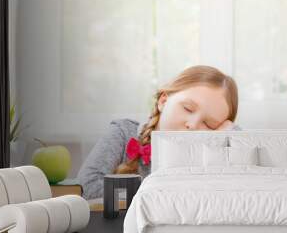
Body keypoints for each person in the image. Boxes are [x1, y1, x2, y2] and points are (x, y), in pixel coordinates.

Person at [77, 65, 241, 200]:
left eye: (209, 125)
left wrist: (228, 135)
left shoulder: (204, 156)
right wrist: (163, 191)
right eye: (188, 108)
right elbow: (88, 186)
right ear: (163, 101)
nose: (193, 125)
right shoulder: (123, 133)